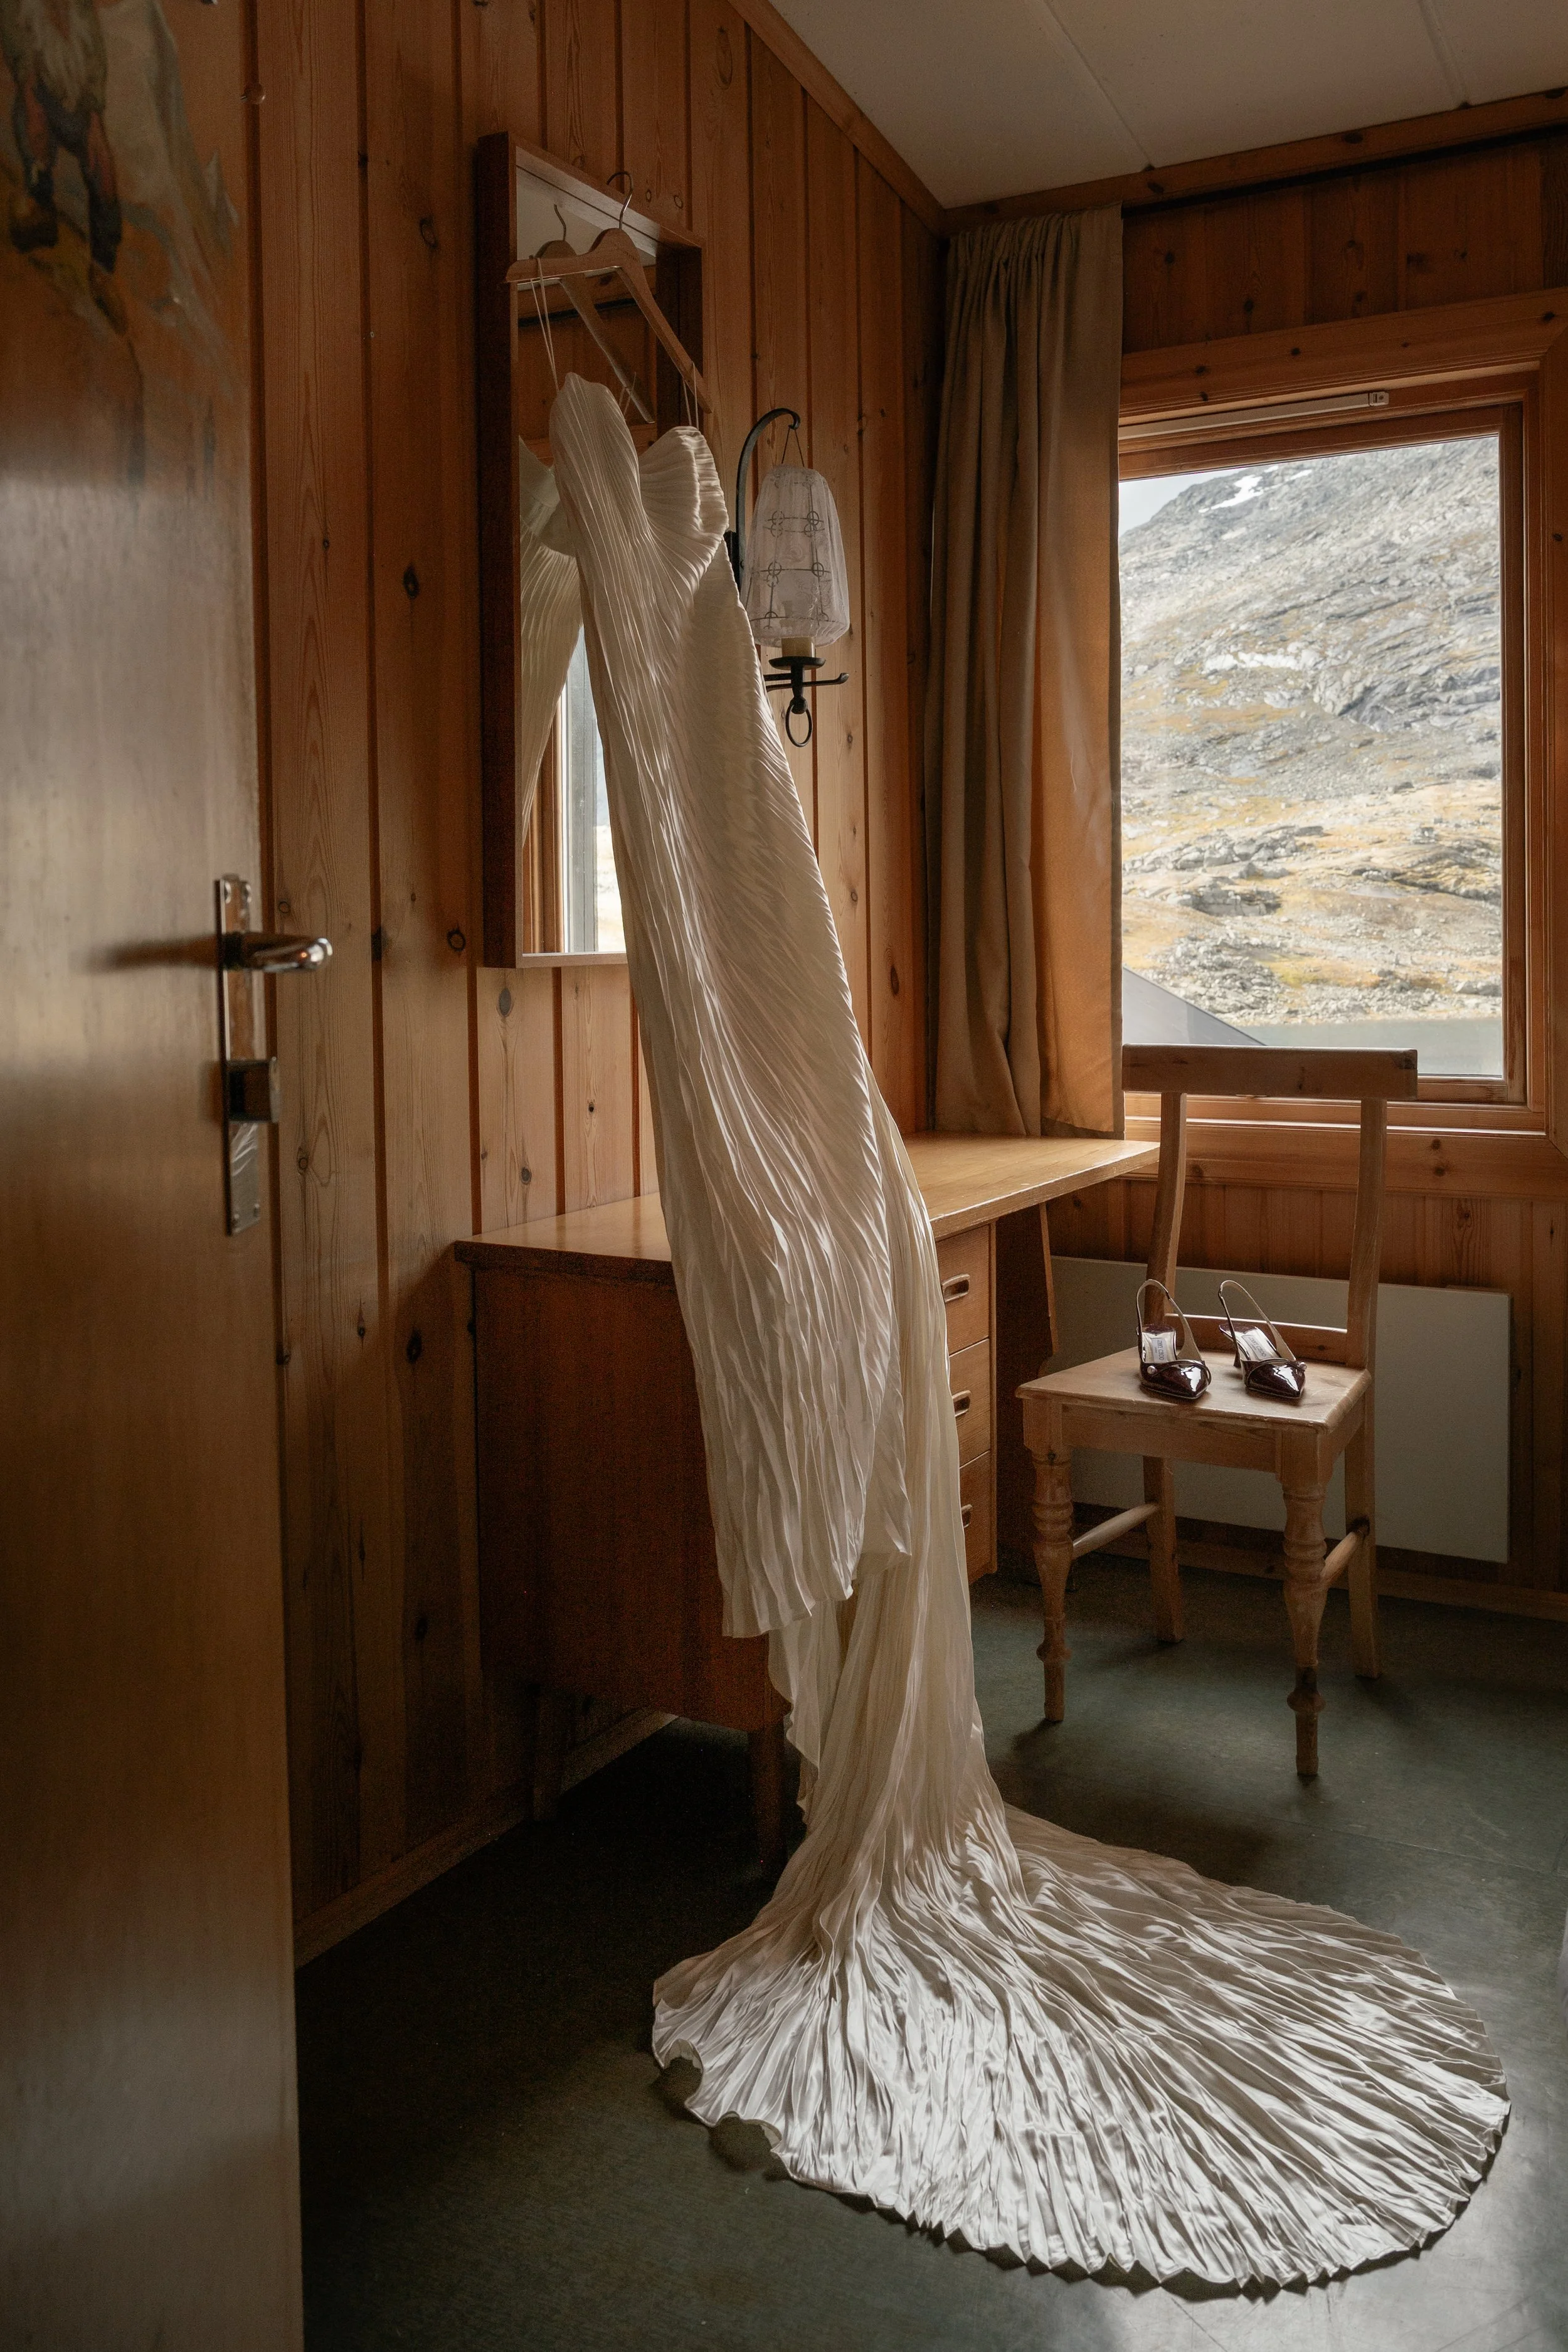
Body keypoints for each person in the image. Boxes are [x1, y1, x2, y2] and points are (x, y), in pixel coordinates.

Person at [4, 0, 127, 333]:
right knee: (34, 121)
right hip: (40, 94)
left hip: (78, 104)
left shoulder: (81, 11)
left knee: (102, 166)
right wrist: (31, 93)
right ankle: (38, 206)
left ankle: (102, 270)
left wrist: (95, 115)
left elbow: (96, 65)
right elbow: (22, 62)